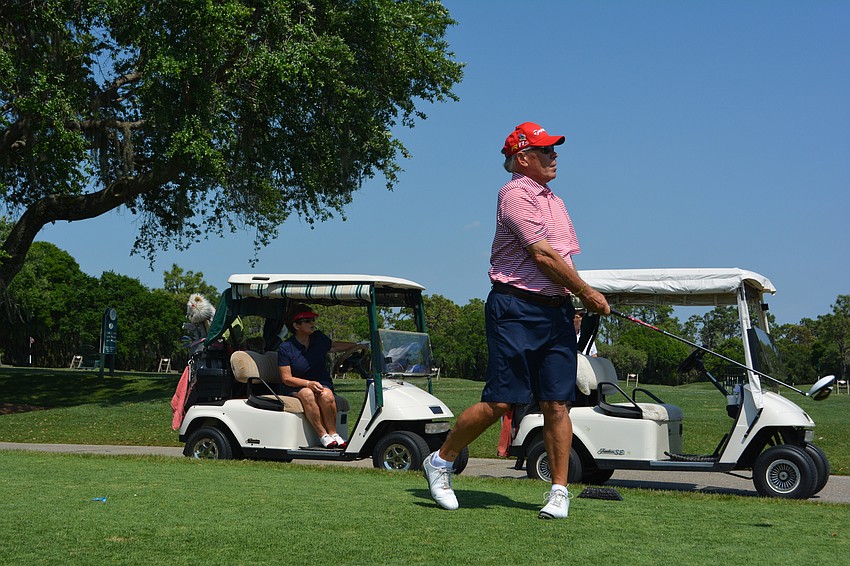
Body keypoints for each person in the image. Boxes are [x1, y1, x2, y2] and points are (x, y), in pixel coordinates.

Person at [422, 121, 610, 519]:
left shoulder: (555, 201)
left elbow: (563, 257)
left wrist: (572, 304)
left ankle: (559, 491)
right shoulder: (514, 194)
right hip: (515, 308)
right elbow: (541, 255)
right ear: (523, 158)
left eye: (554, 150)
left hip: (554, 312)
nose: (554, 156)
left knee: (558, 403)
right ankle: (440, 461)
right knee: (501, 401)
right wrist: (588, 293)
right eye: (546, 150)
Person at [277, 304, 364, 448]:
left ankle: (333, 434)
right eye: (307, 320)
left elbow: (334, 346)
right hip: (296, 386)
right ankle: (322, 435)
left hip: (321, 382)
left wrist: (357, 345)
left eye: (312, 320)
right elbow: (286, 378)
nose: (312, 323)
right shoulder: (286, 347)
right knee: (308, 394)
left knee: (326, 395)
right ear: (296, 325)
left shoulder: (318, 338)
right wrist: (308, 383)